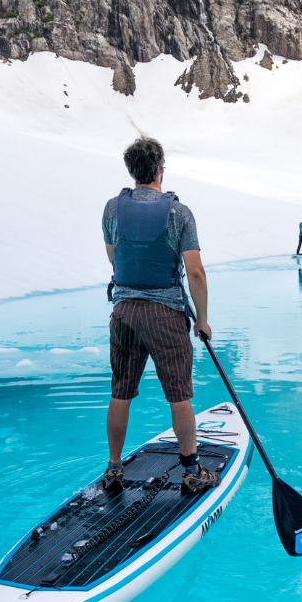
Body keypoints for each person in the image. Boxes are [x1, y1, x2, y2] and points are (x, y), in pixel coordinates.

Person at [100, 136, 219, 494]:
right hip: (165, 314)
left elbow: (112, 257)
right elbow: (194, 272)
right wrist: (202, 318)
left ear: (131, 171)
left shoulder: (111, 208)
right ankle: (193, 472)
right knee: (178, 394)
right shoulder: (179, 213)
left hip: (123, 312)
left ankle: (114, 469)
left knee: (120, 391)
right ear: (161, 170)